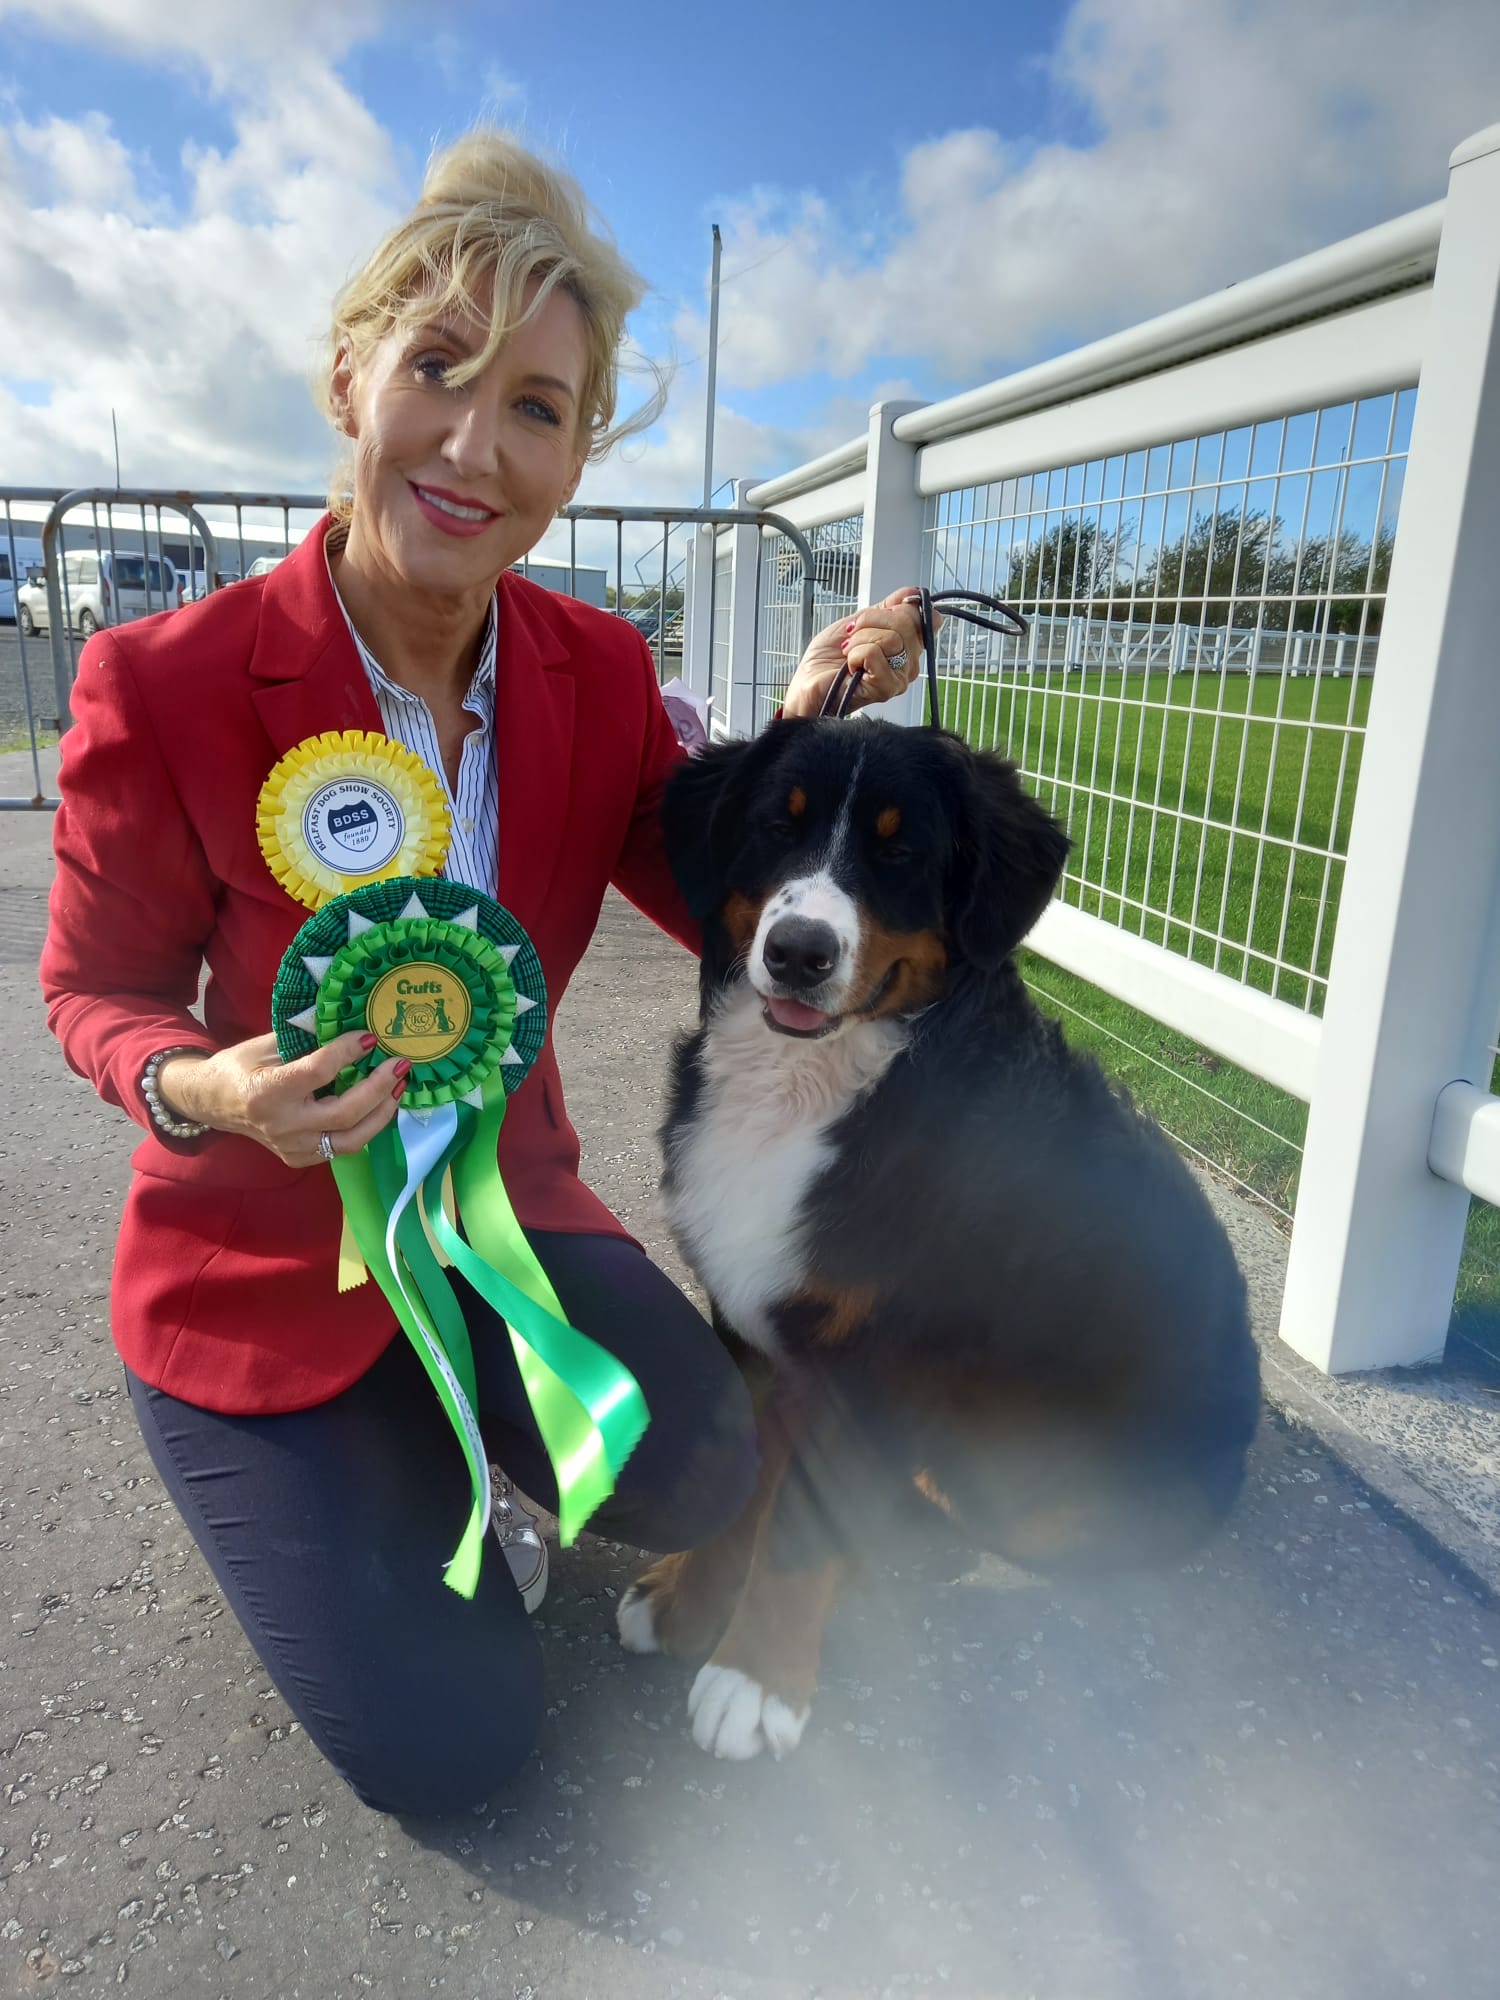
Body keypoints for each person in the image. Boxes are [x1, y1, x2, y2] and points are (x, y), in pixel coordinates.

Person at [40, 129, 929, 1817]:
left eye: (536, 404)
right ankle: (341, 1467)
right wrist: (207, 1085)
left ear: (580, 452)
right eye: (435, 369)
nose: (472, 443)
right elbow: (92, 989)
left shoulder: (593, 670)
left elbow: (721, 886)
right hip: (251, 1276)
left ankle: (462, 1441)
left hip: (501, 1230)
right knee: (462, 1748)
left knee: (693, 1461)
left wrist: (810, 731)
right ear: (348, 381)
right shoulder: (159, 680)